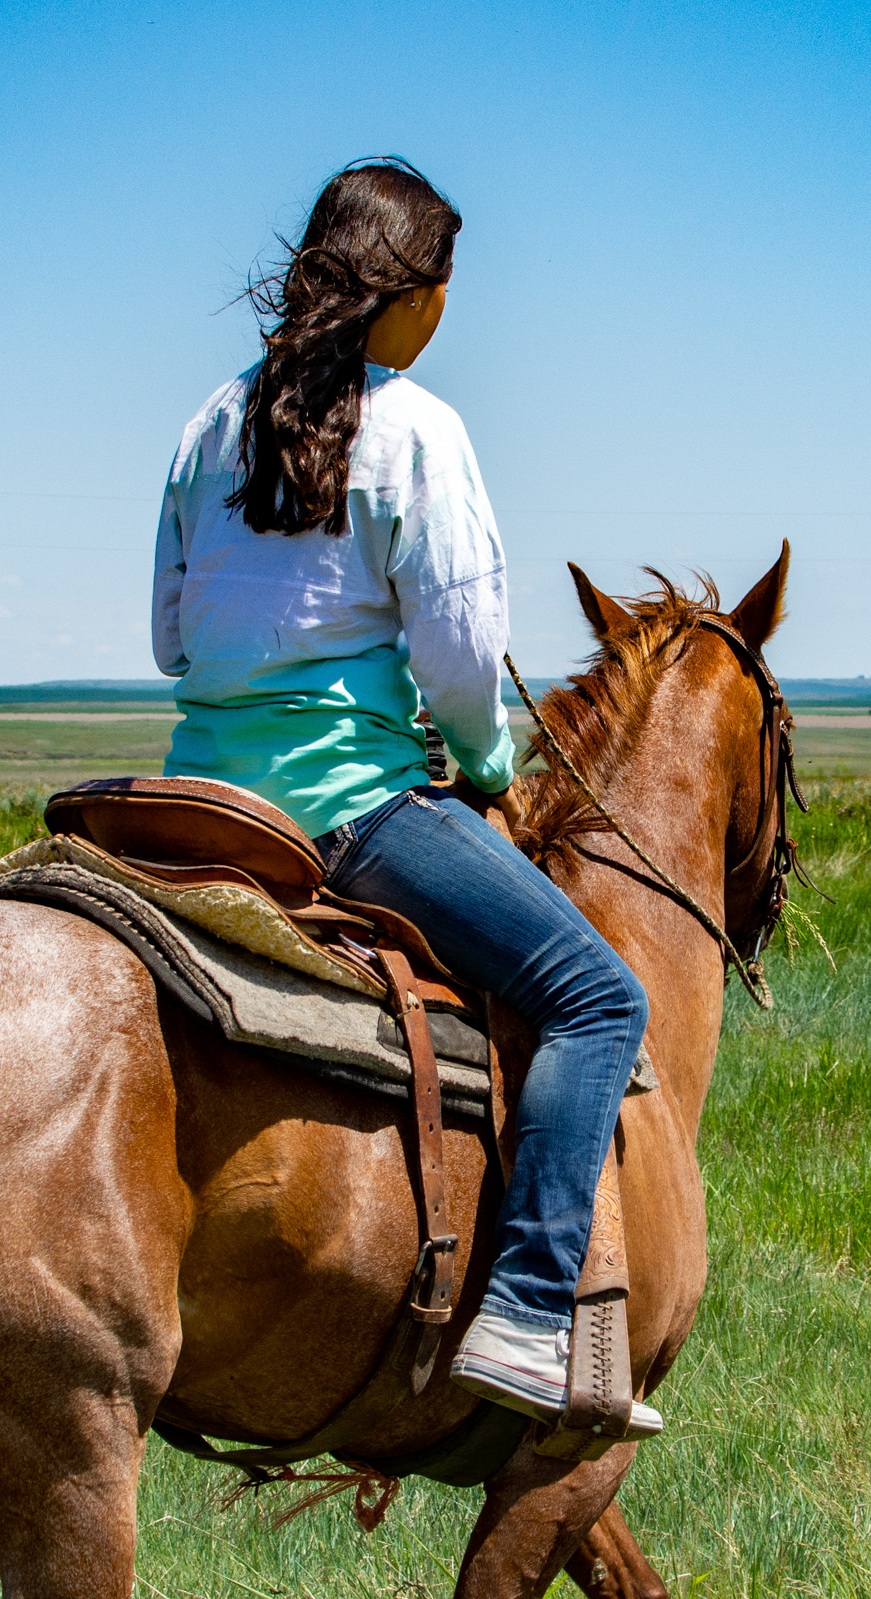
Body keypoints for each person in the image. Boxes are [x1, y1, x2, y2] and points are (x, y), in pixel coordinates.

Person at [151, 160, 662, 1438]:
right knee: (600, 996)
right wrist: (488, 765)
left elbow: (170, 640)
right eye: (446, 292)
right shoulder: (420, 429)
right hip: (346, 813)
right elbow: (456, 657)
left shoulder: (205, 425)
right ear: (415, 299)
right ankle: (536, 1314)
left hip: (190, 801)